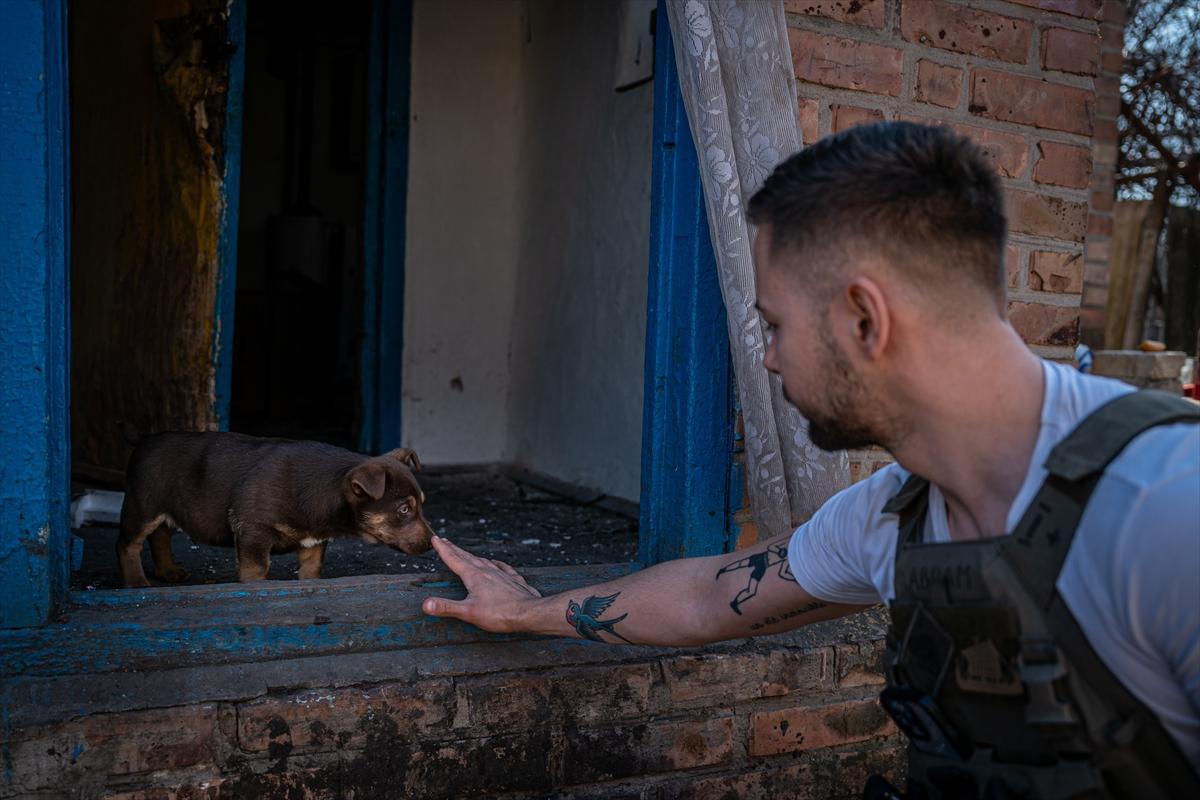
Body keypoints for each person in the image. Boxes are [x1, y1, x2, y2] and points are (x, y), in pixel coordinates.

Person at [421, 122, 1200, 798]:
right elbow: (704, 598)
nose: (767, 360)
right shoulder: (894, 516)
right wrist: (521, 610)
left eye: (775, 325)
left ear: (865, 317)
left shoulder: (1167, 507)